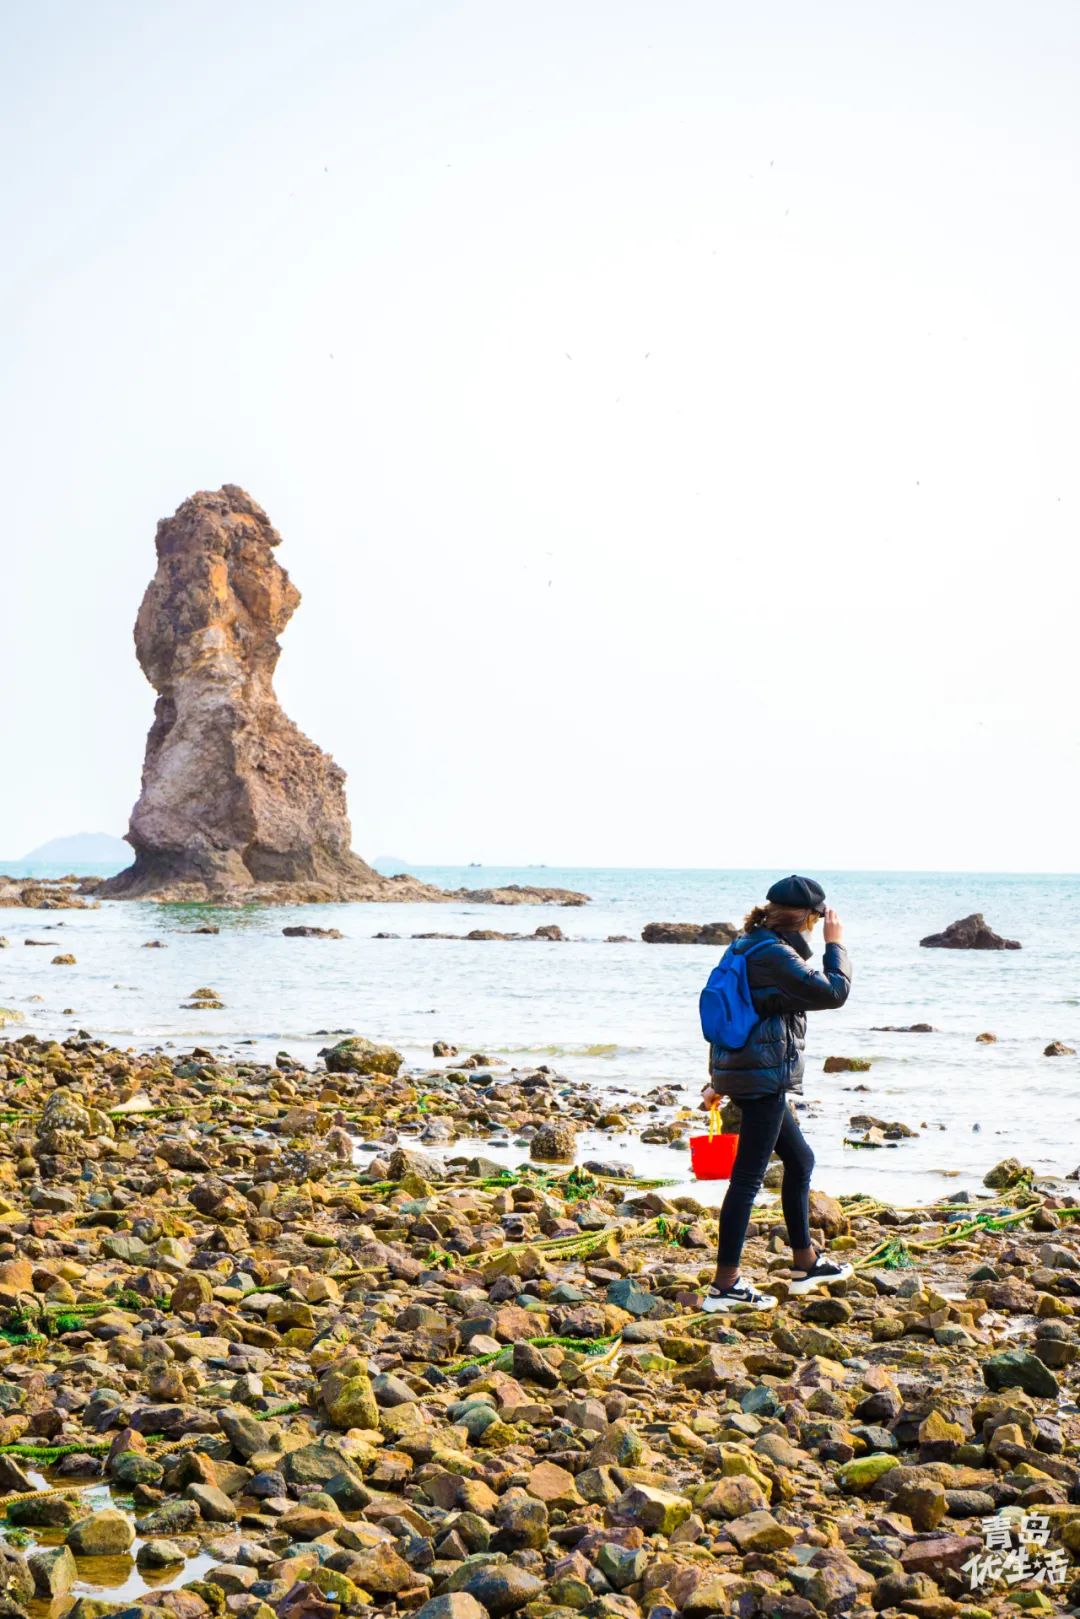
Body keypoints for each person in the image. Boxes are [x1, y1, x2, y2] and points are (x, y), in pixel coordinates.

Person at [700, 874, 853, 1311]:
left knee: (800, 1160)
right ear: (806, 918)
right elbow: (834, 992)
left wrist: (719, 1080)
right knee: (747, 1180)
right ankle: (725, 1285)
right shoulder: (773, 954)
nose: (818, 926)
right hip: (762, 1080)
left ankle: (806, 1262)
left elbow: (740, 1013)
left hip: (753, 1074)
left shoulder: (747, 944)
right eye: (816, 920)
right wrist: (836, 945)